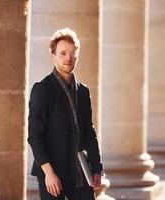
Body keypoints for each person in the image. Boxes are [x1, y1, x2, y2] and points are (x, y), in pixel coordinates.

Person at [28, 28, 103, 200]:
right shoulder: (42, 89)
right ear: (53, 56)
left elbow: (89, 132)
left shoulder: (83, 91)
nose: (68, 58)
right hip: (52, 172)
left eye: (72, 53)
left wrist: (97, 168)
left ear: (77, 55)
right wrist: (48, 173)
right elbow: (34, 135)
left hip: (79, 170)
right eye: (62, 53)